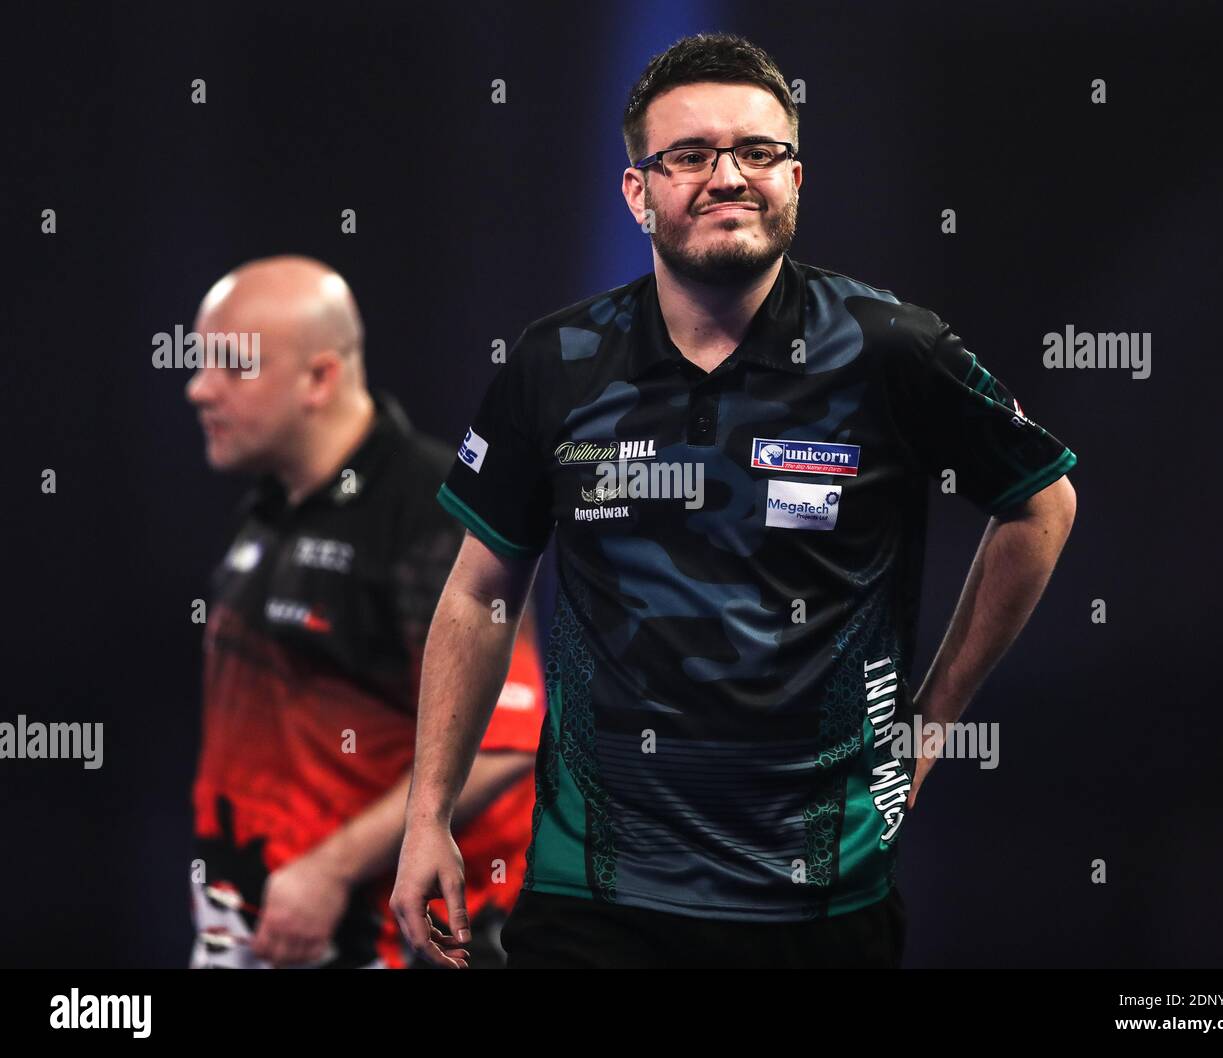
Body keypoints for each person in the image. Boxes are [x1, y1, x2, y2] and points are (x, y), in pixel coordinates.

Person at [390, 33, 1077, 969]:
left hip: (822, 899)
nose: (728, 177)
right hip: (592, 900)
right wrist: (427, 815)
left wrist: (932, 720)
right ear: (637, 192)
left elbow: (1041, 503)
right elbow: (477, 594)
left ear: (796, 177)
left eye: (757, 152)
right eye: (689, 156)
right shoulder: (554, 364)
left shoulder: (892, 350)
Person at [185, 255, 543, 968]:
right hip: (251, 921)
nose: (198, 390)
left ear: (318, 377)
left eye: (229, 366)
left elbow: (509, 738)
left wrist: (331, 869)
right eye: (198, 363)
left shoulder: (429, 516)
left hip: (383, 937)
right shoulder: (268, 505)